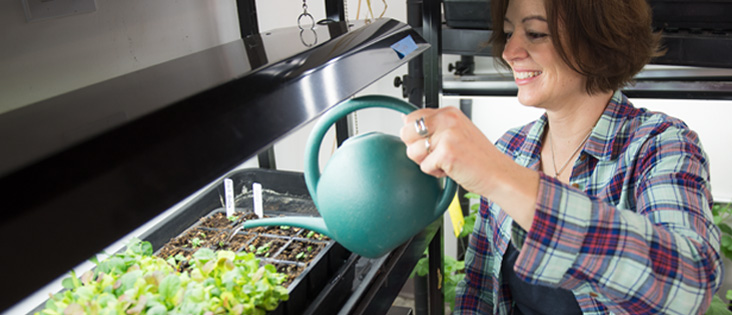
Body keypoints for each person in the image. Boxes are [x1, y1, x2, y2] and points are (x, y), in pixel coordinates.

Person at [399, 0, 723, 313]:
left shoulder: (659, 145)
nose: (510, 52)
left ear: (600, 38)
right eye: (509, 32)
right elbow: (479, 291)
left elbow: (690, 286)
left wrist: (502, 178)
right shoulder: (511, 148)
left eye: (536, 33)